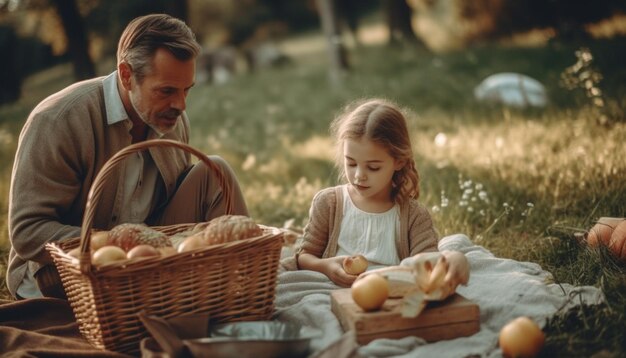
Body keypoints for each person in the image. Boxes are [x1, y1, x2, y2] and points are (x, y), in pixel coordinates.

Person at [7, 14, 249, 300]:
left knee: (216, 170)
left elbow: (171, 217)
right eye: (167, 91)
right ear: (126, 75)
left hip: (144, 261)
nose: (180, 105)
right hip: (64, 272)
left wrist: (155, 250)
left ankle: (247, 278)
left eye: (187, 90)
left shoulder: (173, 120)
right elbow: (27, 232)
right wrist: (116, 243)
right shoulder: (59, 120)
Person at [296, 98, 468, 290]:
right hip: (332, 292)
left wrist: (455, 257)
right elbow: (304, 257)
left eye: (373, 167)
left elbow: (430, 265)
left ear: (399, 162)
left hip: (388, 299)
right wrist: (326, 267)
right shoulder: (329, 203)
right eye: (351, 163)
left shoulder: (413, 216)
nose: (359, 176)